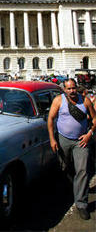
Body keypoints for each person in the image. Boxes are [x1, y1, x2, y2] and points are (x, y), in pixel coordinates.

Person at [48, 78, 96, 220]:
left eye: (74, 88)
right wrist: (52, 139)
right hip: (63, 140)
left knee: (82, 170)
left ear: (77, 88)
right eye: (69, 89)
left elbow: (94, 119)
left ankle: (81, 204)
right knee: (65, 167)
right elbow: (50, 119)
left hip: (81, 141)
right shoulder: (58, 100)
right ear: (64, 89)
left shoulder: (85, 100)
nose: (72, 91)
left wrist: (89, 134)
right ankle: (69, 190)